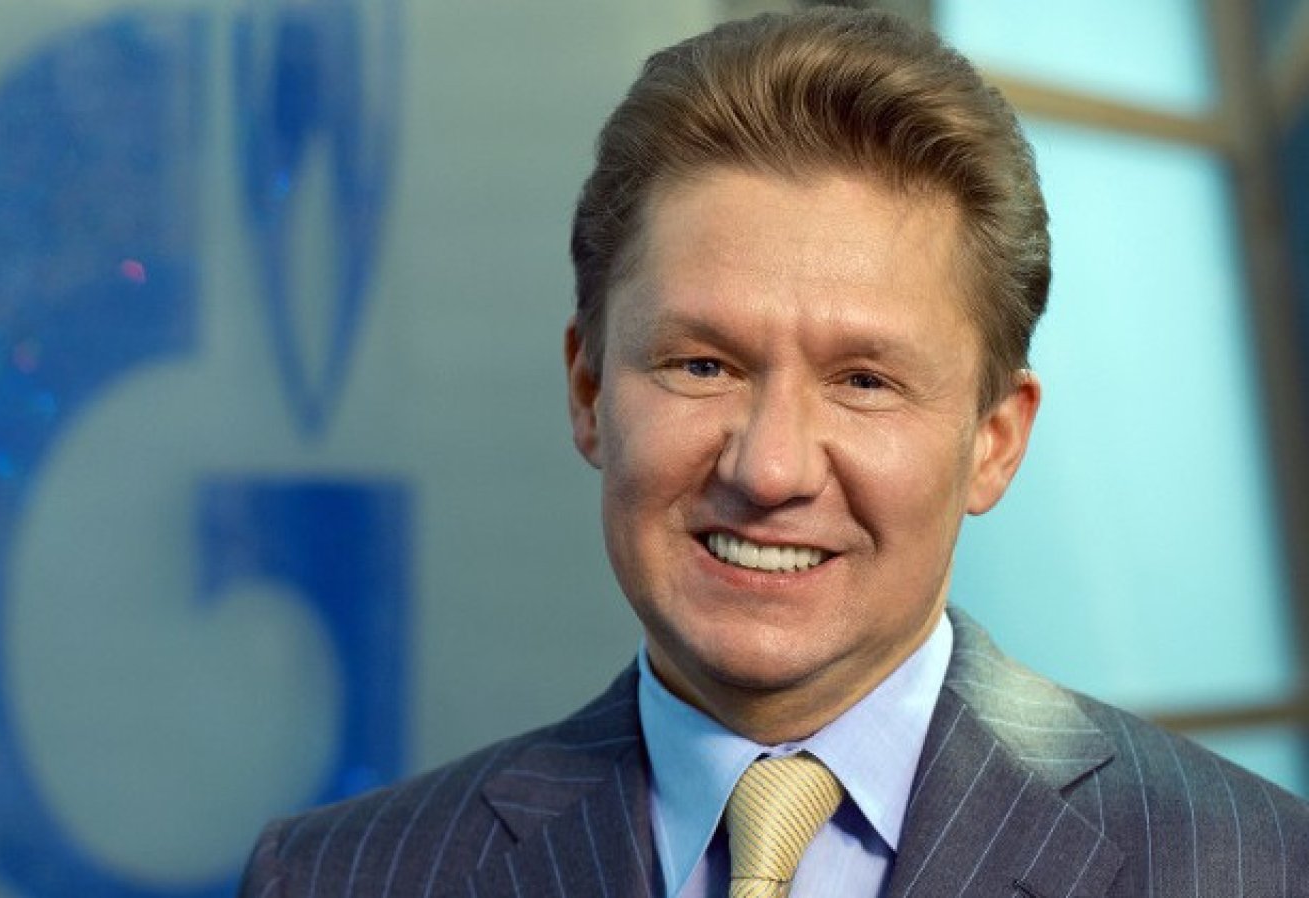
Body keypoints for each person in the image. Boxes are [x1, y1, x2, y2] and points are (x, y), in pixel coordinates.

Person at [239, 8, 1309, 897]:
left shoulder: (1251, 869)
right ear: (589, 390)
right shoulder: (340, 877)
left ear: (995, 442)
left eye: (864, 381)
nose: (769, 469)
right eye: (702, 365)